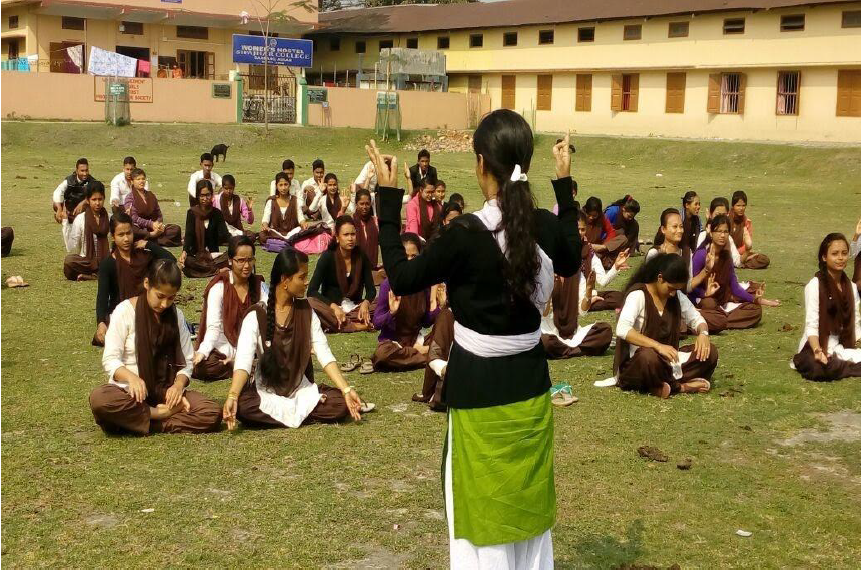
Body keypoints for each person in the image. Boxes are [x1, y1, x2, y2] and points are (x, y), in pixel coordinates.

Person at [370, 110, 583, 568]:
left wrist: (387, 201)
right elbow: (571, 259)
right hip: (530, 389)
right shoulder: (542, 225)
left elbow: (402, 276)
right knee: (525, 503)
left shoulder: (464, 233)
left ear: (482, 163)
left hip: (477, 392)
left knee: (480, 508)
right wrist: (565, 184)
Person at [222, 247, 367, 429]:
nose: (307, 282)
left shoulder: (306, 311)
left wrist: (346, 389)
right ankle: (300, 412)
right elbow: (243, 361)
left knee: (339, 404)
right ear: (285, 280)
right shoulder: (256, 315)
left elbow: (324, 353)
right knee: (244, 407)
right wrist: (233, 396)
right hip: (267, 391)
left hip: (300, 390)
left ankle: (291, 412)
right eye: (302, 277)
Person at [89, 259, 222, 435]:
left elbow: (187, 361)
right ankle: (157, 415)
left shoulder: (176, 315)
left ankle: (140, 423)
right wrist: (132, 378)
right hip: (130, 394)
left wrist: (177, 386)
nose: (165, 304)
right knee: (100, 399)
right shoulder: (124, 311)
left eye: (171, 298)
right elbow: (110, 359)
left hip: (166, 393)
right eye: (160, 296)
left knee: (211, 412)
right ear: (147, 284)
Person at [614, 253, 718, 398]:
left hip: (668, 361)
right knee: (647, 357)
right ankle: (680, 386)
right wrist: (658, 346)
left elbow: (697, 319)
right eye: (670, 288)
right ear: (660, 278)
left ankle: (659, 385)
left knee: (710, 352)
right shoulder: (638, 295)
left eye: (676, 289)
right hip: (640, 362)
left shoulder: (676, 296)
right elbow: (622, 329)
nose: (672, 294)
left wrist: (703, 334)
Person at [94, 212, 175, 347]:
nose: (126, 239)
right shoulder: (107, 264)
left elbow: (171, 261)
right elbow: (102, 296)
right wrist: (101, 322)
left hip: (146, 309)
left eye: (129, 233)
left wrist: (149, 244)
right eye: (121, 235)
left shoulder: (143, 255)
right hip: (120, 313)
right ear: (113, 236)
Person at [193, 236, 268, 381]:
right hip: (224, 346)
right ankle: (245, 366)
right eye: (241, 260)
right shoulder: (219, 287)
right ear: (230, 260)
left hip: (253, 345)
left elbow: (270, 314)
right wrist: (203, 351)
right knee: (203, 367)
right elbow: (213, 327)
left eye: (250, 260)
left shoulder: (259, 286)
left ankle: (245, 364)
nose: (246, 266)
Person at [690, 213, 780, 331]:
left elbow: (735, 287)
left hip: (721, 302)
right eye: (719, 231)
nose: (722, 235)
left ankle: (718, 321)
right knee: (710, 304)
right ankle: (714, 319)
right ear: (711, 233)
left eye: (725, 232)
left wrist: (756, 299)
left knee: (756, 310)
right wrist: (705, 293)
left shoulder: (726, 256)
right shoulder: (701, 254)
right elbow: (691, 287)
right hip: (703, 300)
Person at [792, 233, 861, 381]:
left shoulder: (852, 287)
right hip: (815, 345)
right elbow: (811, 325)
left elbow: (856, 324)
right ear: (824, 257)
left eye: (844, 253)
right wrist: (817, 350)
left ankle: (841, 365)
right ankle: (843, 366)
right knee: (817, 367)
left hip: (841, 345)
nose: (840, 258)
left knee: (834, 363)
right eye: (835, 254)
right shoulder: (814, 285)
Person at [371, 233, 443, 371]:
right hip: (393, 344)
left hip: (416, 339)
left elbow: (426, 322)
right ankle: (427, 354)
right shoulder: (389, 284)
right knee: (382, 355)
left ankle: (421, 354)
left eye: (414, 256)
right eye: (405, 257)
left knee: (448, 331)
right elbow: (376, 323)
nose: (409, 261)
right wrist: (392, 313)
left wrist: (435, 303)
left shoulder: (423, 283)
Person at [307, 216, 376, 333]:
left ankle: (340, 323)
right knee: (310, 302)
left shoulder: (361, 256)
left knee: (384, 302)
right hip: (332, 309)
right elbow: (311, 291)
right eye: (346, 235)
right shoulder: (327, 257)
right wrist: (333, 307)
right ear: (337, 238)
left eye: (353, 234)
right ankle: (357, 325)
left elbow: (371, 290)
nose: (350, 238)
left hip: (355, 308)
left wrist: (366, 303)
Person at [540, 273, 613, 359]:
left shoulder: (577, 275)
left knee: (605, 330)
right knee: (545, 342)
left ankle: (565, 351)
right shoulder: (545, 273)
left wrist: (589, 288)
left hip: (574, 333)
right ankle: (580, 350)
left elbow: (582, 311)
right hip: (549, 331)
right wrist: (549, 287)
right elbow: (544, 313)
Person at [577, 211, 629, 312]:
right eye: (577, 229)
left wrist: (616, 267)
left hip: (588, 294)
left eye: (582, 229)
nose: (580, 233)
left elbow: (602, 281)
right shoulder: (563, 250)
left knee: (620, 297)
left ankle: (589, 303)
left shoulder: (589, 251)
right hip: (571, 299)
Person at [179, 179, 230, 278]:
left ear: (212, 195)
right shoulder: (192, 213)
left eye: (208, 195)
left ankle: (204, 270)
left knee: (230, 256)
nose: (205, 198)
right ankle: (216, 270)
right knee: (188, 261)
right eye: (202, 195)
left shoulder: (217, 213)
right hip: (196, 255)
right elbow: (189, 235)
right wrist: (184, 252)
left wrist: (236, 245)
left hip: (213, 256)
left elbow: (224, 234)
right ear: (197, 196)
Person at [62, 182, 109, 282]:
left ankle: (93, 275)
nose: (97, 203)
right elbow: (72, 246)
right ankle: (97, 274)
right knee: (69, 261)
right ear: (87, 200)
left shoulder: (110, 218)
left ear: (104, 199)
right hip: (87, 261)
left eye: (100, 199)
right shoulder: (80, 219)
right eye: (94, 199)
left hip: (107, 259)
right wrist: (66, 224)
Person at [125, 168, 182, 247]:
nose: (141, 181)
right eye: (138, 179)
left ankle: (152, 240)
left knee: (176, 229)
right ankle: (152, 238)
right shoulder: (130, 198)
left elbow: (158, 213)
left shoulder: (151, 195)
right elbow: (134, 218)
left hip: (155, 227)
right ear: (132, 181)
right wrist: (151, 224)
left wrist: (158, 225)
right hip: (141, 229)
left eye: (143, 179)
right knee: (134, 231)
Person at [53, 158, 98, 251]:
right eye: (82, 171)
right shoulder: (69, 181)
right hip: (69, 211)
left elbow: (96, 195)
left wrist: (83, 202)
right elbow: (58, 192)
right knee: (58, 208)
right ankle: (70, 249)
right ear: (76, 170)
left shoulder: (92, 182)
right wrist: (59, 209)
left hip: (84, 212)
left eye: (86, 170)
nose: (85, 173)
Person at [259, 172, 306, 251]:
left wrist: (303, 223)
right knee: (262, 235)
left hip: (292, 232)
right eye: (280, 185)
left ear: (289, 185)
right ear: (276, 186)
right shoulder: (271, 201)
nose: (283, 188)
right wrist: (265, 226)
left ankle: (280, 243)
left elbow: (300, 218)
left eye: (285, 184)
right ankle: (289, 243)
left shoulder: (295, 200)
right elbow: (265, 219)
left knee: (304, 231)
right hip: (276, 233)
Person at [730, 190, 770, 269]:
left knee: (764, 259)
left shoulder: (747, 222)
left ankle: (738, 262)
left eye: (743, 205)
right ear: (733, 206)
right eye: (738, 205)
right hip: (727, 252)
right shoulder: (726, 219)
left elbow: (747, 245)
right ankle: (737, 262)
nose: (741, 208)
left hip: (741, 253)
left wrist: (743, 254)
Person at [697, 197, 741, 267]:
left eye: (724, 215)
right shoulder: (703, 236)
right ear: (710, 215)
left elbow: (737, 262)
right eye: (717, 215)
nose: (720, 219)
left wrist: (747, 250)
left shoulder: (728, 238)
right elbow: (697, 259)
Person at [353, 188, 384, 283]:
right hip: (354, 267)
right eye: (361, 204)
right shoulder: (351, 222)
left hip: (372, 267)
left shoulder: (375, 222)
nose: (365, 207)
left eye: (367, 204)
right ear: (356, 204)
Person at [214, 174, 256, 241]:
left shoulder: (239, 200)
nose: (228, 191)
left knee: (252, 236)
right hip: (222, 231)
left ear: (234, 187)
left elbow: (250, 221)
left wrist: (249, 210)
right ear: (222, 187)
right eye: (226, 188)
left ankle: (232, 240)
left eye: (230, 188)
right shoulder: (216, 200)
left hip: (237, 231)